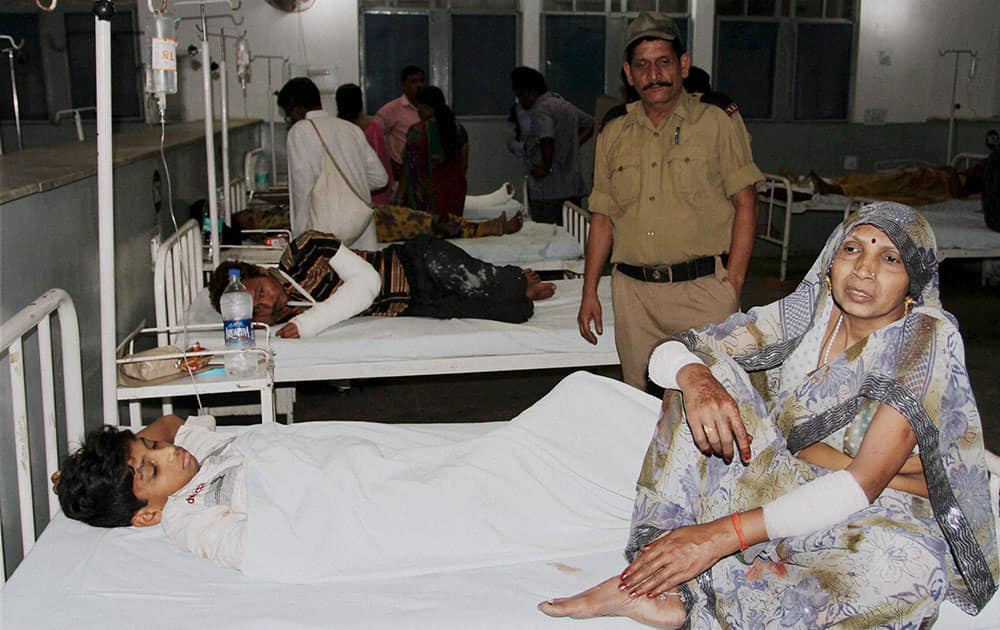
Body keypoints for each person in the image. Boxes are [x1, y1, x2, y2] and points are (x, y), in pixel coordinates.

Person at [541, 202, 999, 627]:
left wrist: (720, 536)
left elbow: (861, 485)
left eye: (890, 259)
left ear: (913, 284)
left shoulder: (924, 340)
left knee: (908, 572)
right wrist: (699, 382)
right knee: (700, 374)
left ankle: (691, 596)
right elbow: (672, 351)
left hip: (877, 512)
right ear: (830, 261)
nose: (864, 269)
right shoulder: (809, 315)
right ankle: (660, 568)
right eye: (853, 249)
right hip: (785, 480)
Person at [578, 12, 763, 391]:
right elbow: (602, 218)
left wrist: (734, 283)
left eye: (664, 62)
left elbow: (747, 203)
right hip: (634, 298)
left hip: (701, 294)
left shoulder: (716, 123)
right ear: (629, 74)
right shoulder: (613, 132)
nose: (654, 74)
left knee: (709, 400)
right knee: (640, 401)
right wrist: (589, 291)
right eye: (642, 66)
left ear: (683, 65)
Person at [207, 230, 555, 339]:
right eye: (260, 311)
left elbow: (368, 283)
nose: (269, 305)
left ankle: (514, 278)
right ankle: (516, 291)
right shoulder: (280, 320)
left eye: (262, 293)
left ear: (259, 270)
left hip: (416, 264)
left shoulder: (304, 249)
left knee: (485, 283)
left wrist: (309, 323)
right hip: (411, 305)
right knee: (514, 313)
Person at [277, 77, 387, 249]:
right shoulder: (352, 129)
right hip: (361, 228)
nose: (290, 120)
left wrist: (299, 241)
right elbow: (380, 178)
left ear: (297, 109)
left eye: (288, 115)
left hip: (325, 235)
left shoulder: (300, 131)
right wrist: (349, 187)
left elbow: (302, 190)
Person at [510, 66, 595, 225]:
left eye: (520, 96)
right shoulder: (564, 105)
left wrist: (546, 166)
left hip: (548, 192)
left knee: (547, 240)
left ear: (531, 92)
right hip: (571, 187)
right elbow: (590, 123)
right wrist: (572, 144)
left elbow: (546, 137)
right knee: (572, 237)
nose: (520, 101)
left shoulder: (541, 109)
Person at [393, 85, 469, 220]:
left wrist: (398, 199)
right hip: (455, 195)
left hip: (426, 198)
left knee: (427, 237)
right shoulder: (459, 130)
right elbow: (463, 166)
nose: (418, 112)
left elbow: (408, 169)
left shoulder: (418, 132)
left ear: (426, 108)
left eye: (418, 108)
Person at [336, 83, 394, 205]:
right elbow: (382, 160)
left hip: (349, 191)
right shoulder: (372, 127)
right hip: (376, 189)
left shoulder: (337, 129)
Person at [375, 65, 425, 179]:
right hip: (401, 172)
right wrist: (388, 160)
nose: (419, 85)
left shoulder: (429, 109)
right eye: (413, 81)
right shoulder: (391, 109)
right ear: (403, 85)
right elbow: (375, 136)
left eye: (421, 81)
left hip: (425, 171)